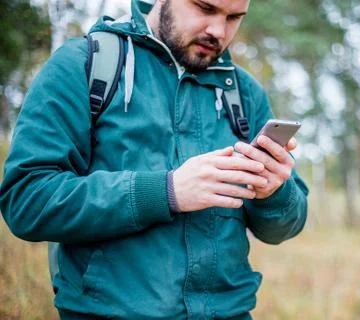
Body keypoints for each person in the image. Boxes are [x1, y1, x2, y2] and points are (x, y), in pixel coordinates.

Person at [0, 0, 308, 318]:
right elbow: (26, 200)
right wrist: (167, 191)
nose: (218, 30)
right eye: (205, 8)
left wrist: (274, 192)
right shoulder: (83, 65)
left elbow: (284, 227)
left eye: (233, 17)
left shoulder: (244, 94)